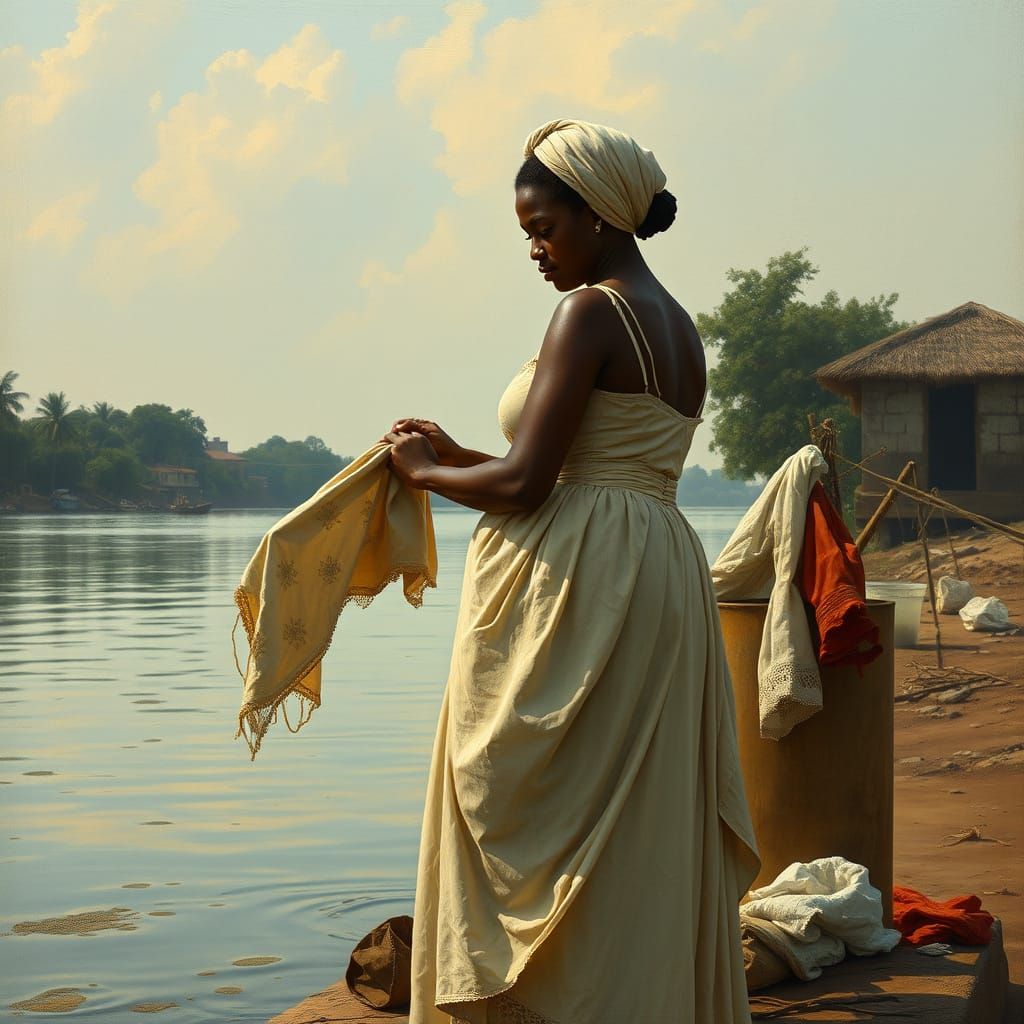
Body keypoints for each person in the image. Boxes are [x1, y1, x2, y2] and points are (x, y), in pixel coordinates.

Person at [382, 119, 761, 1024]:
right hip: (658, 559)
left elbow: (526, 483)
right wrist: (463, 450)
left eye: (544, 228)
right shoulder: (681, 326)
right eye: (526, 233)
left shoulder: (589, 310)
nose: (534, 249)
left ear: (598, 218)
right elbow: (594, 460)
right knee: (632, 809)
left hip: (586, 582)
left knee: (529, 794)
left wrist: (424, 473)